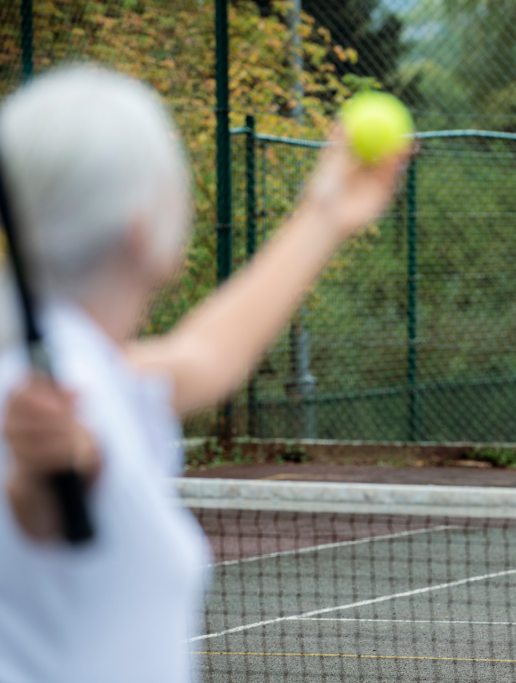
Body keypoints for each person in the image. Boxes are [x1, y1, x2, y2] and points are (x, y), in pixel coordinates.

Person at [0, 66, 406, 682]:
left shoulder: (80, 366)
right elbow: (44, 495)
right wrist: (45, 475)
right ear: (142, 231)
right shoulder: (56, 401)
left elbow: (205, 358)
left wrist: (325, 213)